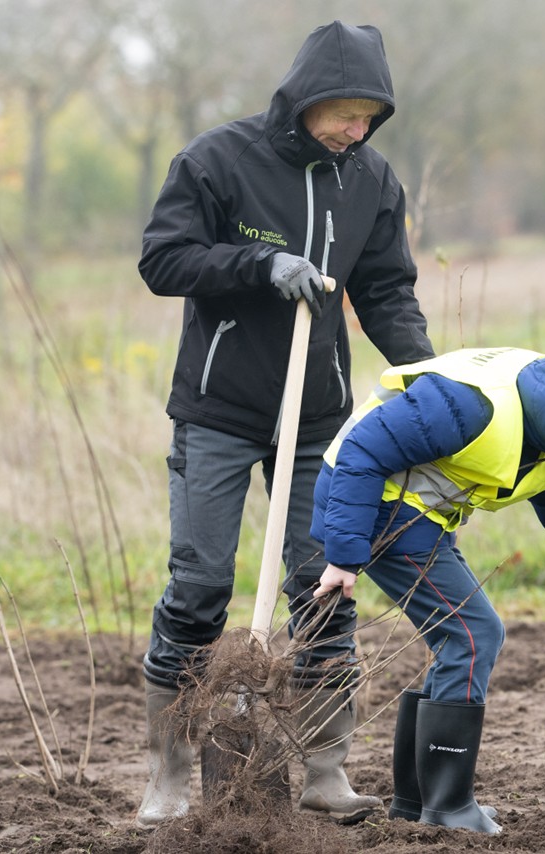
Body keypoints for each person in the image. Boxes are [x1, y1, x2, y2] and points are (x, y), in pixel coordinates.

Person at [134, 21, 434, 827]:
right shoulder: (216, 160)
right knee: (198, 585)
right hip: (220, 409)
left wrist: (426, 377)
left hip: (319, 420)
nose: (357, 130)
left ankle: (326, 773)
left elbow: (387, 290)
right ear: (306, 99)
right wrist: (258, 266)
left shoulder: (369, 180)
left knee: (324, 586)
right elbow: (163, 260)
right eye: (345, 113)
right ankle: (167, 772)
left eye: (371, 117)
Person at [310, 340, 545, 835]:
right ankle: (447, 808)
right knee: (473, 634)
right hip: (372, 504)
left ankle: (417, 802)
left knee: (457, 636)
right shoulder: (471, 408)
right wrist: (344, 555)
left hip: (417, 514)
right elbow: (363, 450)